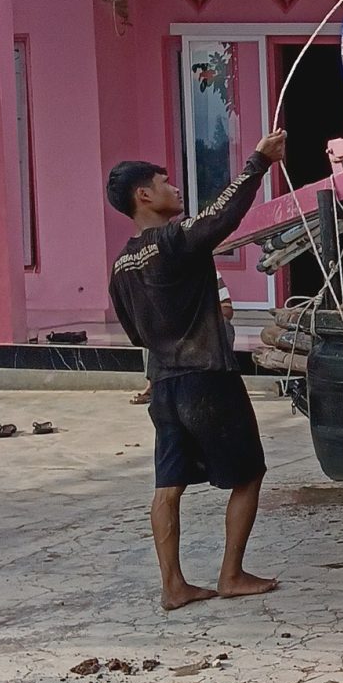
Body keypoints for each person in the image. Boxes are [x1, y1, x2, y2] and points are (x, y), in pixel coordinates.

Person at [107, 136, 286, 610]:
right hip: (206, 377)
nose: (175, 188)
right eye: (164, 182)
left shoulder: (121, 266)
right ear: (143, 196)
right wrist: (258, 163)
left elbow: (135, 334)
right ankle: (231, 574)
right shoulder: (173, 241)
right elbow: (221, 216)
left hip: (162, 385)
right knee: (249, 474)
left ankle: (174, 587)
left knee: (167, 487)